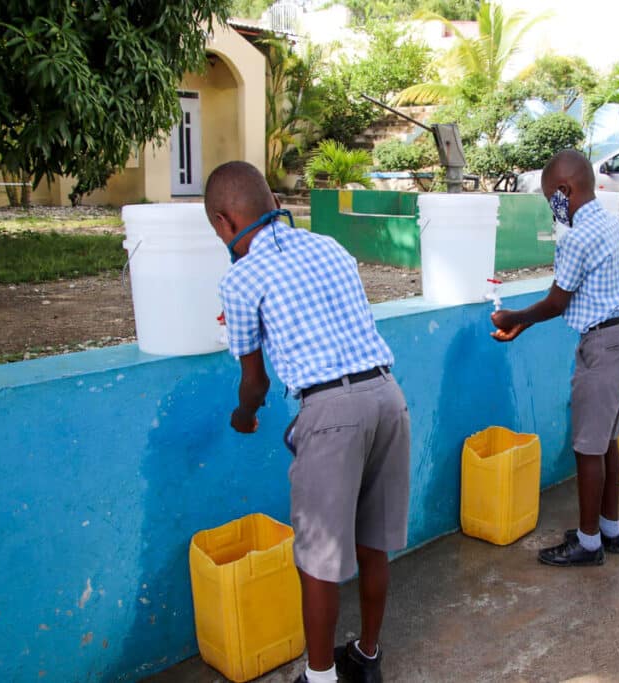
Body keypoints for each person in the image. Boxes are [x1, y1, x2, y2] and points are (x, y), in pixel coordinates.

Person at [205, 161, 410, 683]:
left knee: (317, 557)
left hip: (331, 411)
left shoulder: (242, 277)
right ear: (273, 202)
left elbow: (256, 383)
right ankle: (367, 658)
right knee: (373, 542)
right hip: (387, 396)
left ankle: (320, 679)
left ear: (225, 223)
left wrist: (243, 415)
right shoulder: (328, 246)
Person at [491, 150, 619, 568]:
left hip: (605, 344)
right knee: (606, 440)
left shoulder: (577, 235)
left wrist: (516, 318)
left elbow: (558, 302)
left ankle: (589, 544)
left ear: (564, 190)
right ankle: (608, 528)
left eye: (549, 198)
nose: (550, 207)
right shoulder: (609, 221)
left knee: (587, 449)